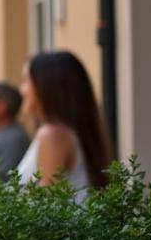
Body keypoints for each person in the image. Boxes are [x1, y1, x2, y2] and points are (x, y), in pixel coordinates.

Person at [16, 50, 113, 191]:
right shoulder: (72, 133)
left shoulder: (52, 135)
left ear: (46, 85)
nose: (21, 89)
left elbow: (45, 203)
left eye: (26, 81)